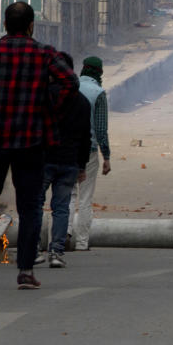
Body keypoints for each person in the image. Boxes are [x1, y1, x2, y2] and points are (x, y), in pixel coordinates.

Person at [0, 1, 79, 290]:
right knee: (30, 207)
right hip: (31, 141)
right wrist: (50, 113)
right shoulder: (44, 53)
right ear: (31, 25)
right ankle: (26, 272)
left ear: (5, 25)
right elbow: (71, 82)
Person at [36, 52, 92, 269]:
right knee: (61, 208)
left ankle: (33, 250)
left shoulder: (43, 96)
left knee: (35, 205)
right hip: (69, 162)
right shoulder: (82, 102)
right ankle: (56, 252)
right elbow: (85, 137)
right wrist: (82, 165)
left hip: (43, 159)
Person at [69, 56, 112, 251]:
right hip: (90, 151)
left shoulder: (71, 88)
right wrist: (107, 157)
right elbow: (101, 129)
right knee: (85, 198)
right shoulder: (99, 93)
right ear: (99, 72)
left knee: (67, 195)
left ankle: (63, 236)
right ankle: (81, 242)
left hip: (67, 149)